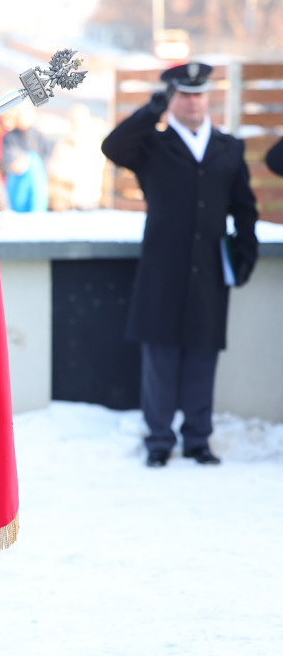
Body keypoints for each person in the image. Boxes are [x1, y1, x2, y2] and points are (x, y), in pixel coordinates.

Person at [101, 61, 259, 468]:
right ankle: (158, 439)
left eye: (199, 95)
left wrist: (245, 254)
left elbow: (244, 208)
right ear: (173, 100)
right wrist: (153, 108)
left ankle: (197, 439)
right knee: (161, 358)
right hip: (162, 270)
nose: (193, 103)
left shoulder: (228, 147)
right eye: (184, 96)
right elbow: (113, 147)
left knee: (203, 355)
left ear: (208, 99)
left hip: (209, 268)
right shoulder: (153, 145)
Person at [1, 103, 52, 212]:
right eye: (20, 114)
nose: (23, 117)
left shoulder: (40, 137)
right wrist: (19, 162)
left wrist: (31, 162)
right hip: (16, 182)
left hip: (36, 182)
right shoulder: (9, 137)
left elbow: (46, 159)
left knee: (33, 160)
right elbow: (7, 159)